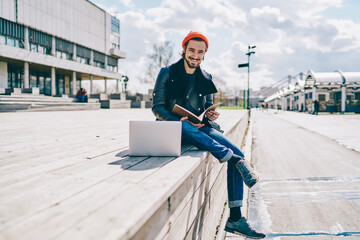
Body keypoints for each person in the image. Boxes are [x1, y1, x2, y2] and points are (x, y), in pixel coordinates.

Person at [152, 31, 265, 239]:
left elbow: (205, 110)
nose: (195, 55)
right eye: (192, 50)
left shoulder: (206, 78)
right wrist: (177, 121)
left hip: (199, 127)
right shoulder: (166, 72)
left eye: (200, 52)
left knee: (237, 153)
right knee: (191, 130)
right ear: (184, 49)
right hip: (173, 127)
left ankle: (236, 219)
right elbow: (157, 107)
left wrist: (210, 115)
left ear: (204, 54)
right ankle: (230, 157)